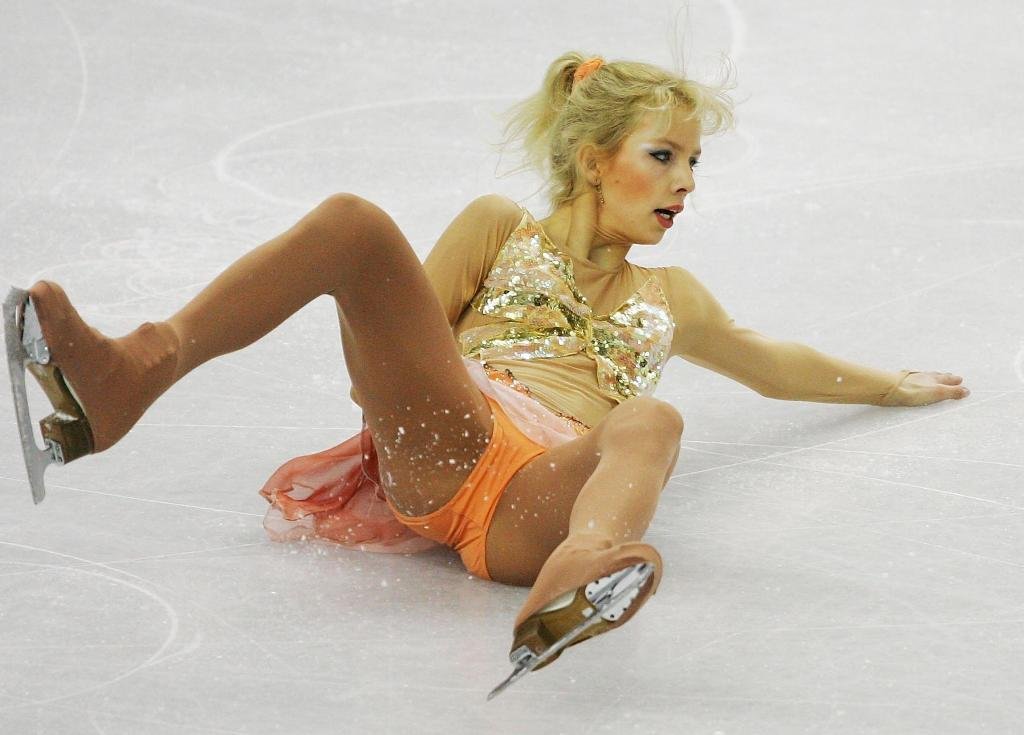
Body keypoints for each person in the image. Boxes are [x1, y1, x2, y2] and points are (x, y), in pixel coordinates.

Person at [4, 51, 970, 698]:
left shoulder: (671, 297)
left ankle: (577, 577)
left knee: (655, 420)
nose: (686, 182)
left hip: (535, 507)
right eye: (664, 156)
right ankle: (137, 370)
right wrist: (439, 388)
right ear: (594, 161)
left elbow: (774, 363)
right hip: (448, 438)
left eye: (694, 162)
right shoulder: (498, 230)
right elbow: (395, 349)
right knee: (350, 224)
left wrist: (889, 383)